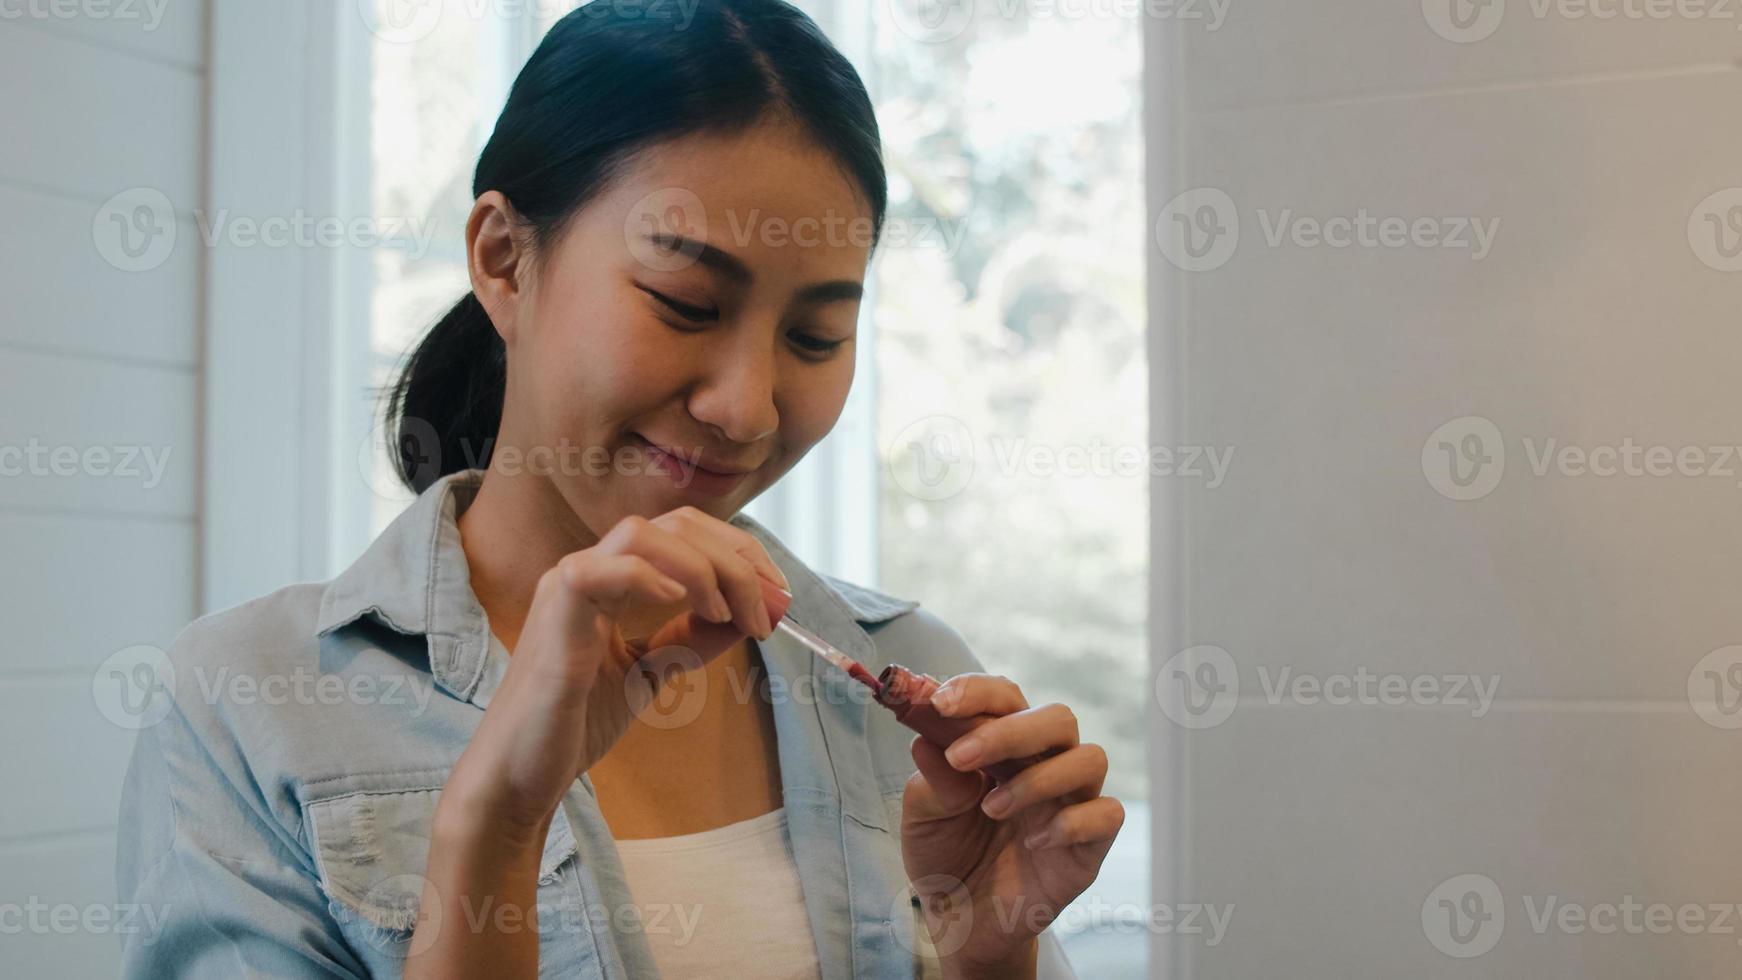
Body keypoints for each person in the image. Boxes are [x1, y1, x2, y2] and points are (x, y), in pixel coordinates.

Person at [116, 1, 1122, 976]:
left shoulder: (915, 685)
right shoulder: (245, 709)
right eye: (684, 303)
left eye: (814, 336)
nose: (746, 405)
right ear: (504, 259)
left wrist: (986, 966)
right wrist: (495, 821)